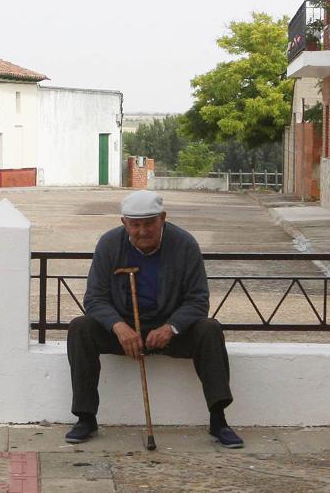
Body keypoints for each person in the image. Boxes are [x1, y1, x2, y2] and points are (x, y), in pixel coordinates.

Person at [64, 190, 243, 448]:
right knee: (80, 328)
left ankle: (219, 419)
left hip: (167, 331)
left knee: (209, 329)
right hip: (125, 333)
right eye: (135, 225)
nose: (142, 231)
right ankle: (85, 417)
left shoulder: (185, 245)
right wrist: (118, 327)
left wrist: (172, 327)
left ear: (163, 218)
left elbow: (198, 300)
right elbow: (94, 298)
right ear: (124, 222)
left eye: (149, 223)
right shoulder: (109, 244)